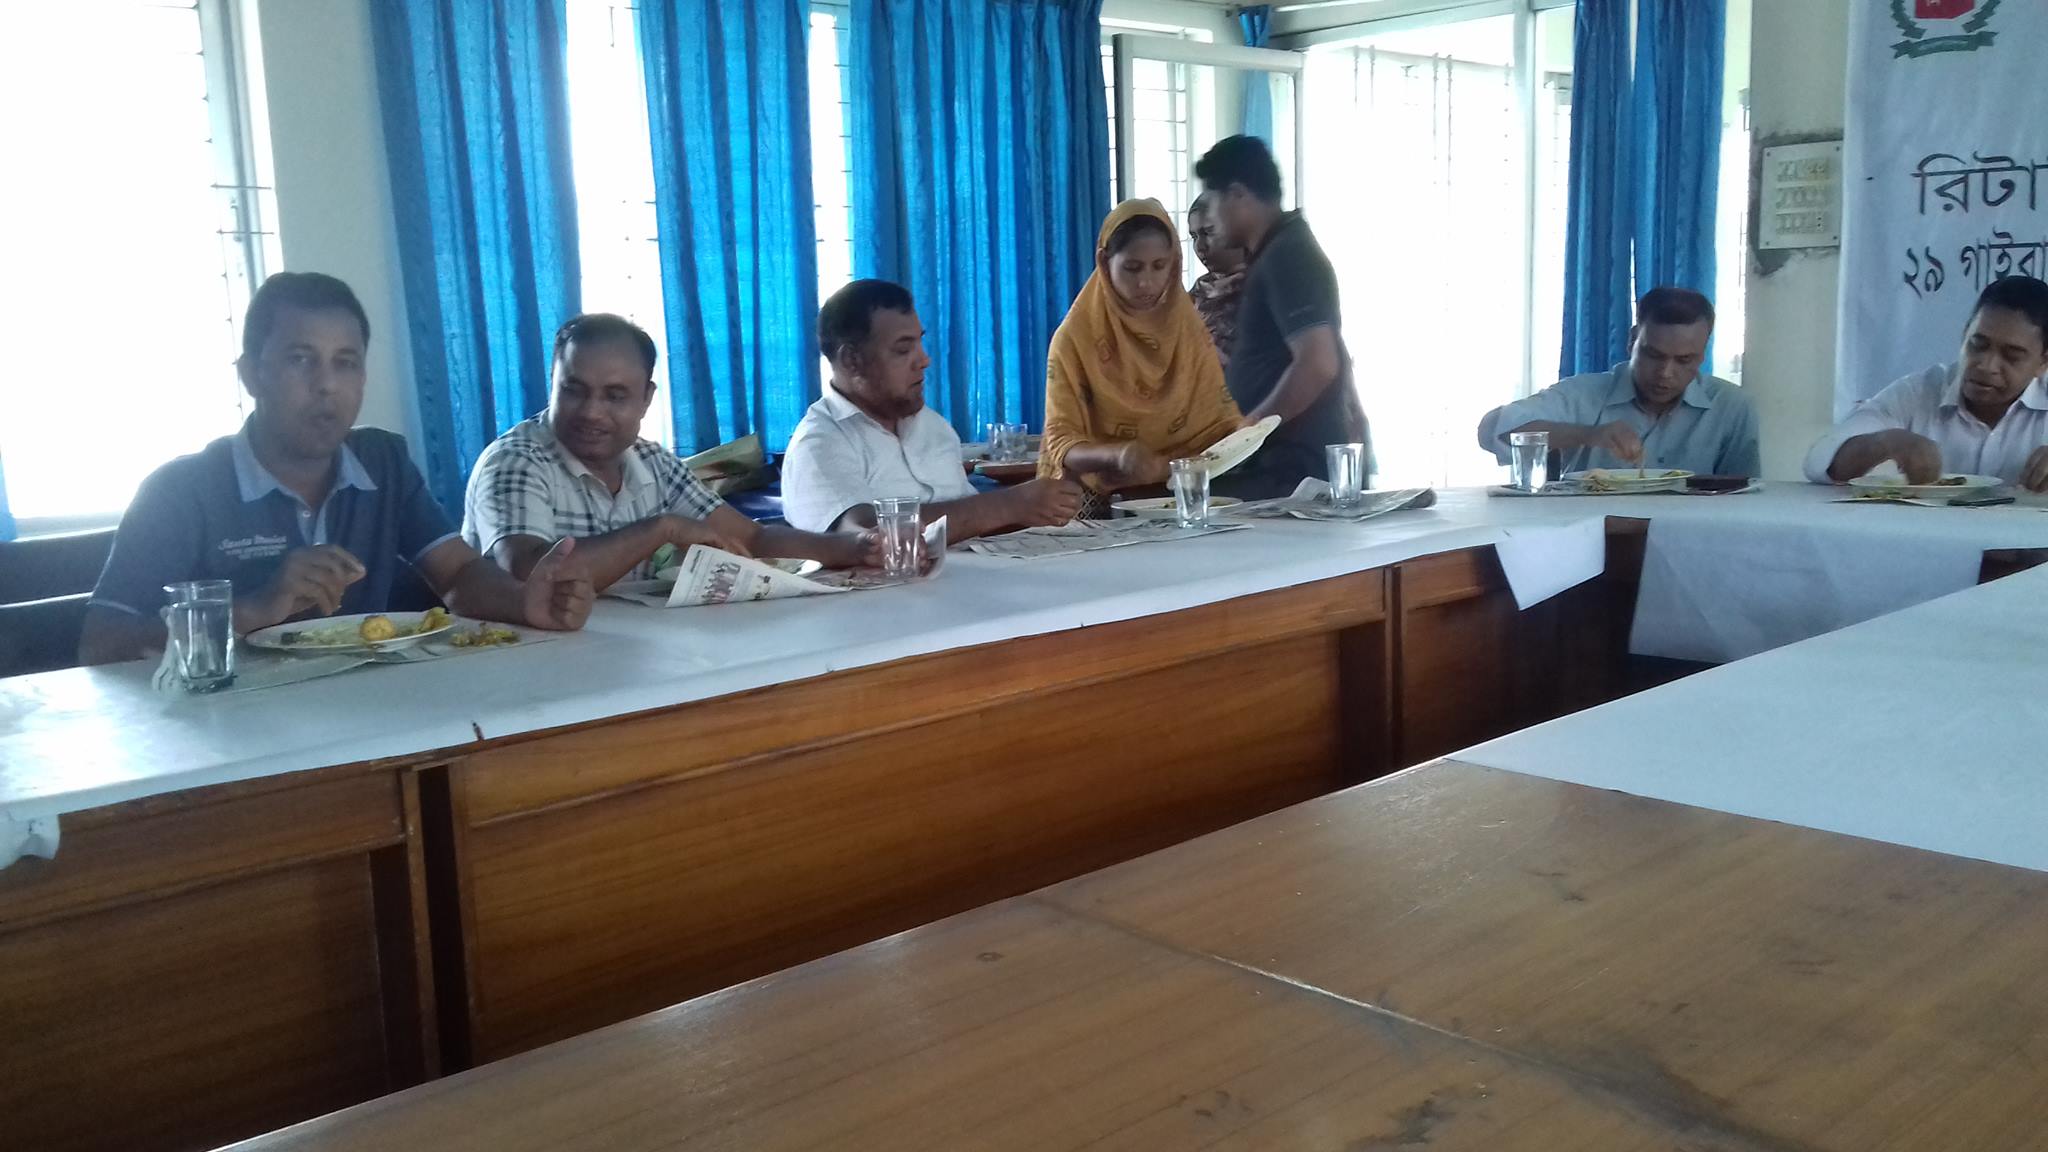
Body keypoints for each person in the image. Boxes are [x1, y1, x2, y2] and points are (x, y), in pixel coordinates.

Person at [79, 272, 594, 665]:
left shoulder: (383, 463)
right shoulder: (180, 491)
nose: (326, 385)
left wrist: (524, 603)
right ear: (252, 375)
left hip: (368, 720)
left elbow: (458, 574)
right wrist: (252, 611)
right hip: (232, 736)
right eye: (300, 360)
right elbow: (99, 645)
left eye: (345, 362)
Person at [464, 313, 879, 590]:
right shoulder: (516, 461)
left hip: (632, 652)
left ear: (646, 399)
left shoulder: (651, 461)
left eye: (614, 396)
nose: (591, 411)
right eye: (573, 390)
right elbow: (529, 571)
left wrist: (856, 547)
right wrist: (661, 530)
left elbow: (751, 537)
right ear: (552, 384)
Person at [782, 280, 1083, 536]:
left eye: (920, 343)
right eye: (903, 350)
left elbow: (973, 521)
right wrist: (1008, 505)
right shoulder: (820, 442)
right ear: (852, 360)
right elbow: (864, 532)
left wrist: (1040, 509)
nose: (924, 360)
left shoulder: (933, 427)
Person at [1194, 135, 1368, 498]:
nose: (1211, 219)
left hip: (1292, 469)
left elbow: (1318, 363)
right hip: (1277, 464)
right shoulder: (1274, 252)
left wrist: (1252, 427)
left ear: (1237, 195)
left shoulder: (1290, 255)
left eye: (1212, 204)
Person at [1038, 198, 1245, 499]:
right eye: (1132, 268)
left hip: (1179, 497)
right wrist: (1117, 455)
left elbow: (1217, 425)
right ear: (1105, 263)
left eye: (1159, 266)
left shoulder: (1188, 332)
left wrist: (1244, 433)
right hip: (1094, 505)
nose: (1146, 283)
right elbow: (1060, 442)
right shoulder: (1075, 339)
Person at [1478, 287, 1760, 478]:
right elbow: (1494, 430)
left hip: (1692, 540)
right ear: (1631, 341)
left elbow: (1745, 495)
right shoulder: (1583, 394)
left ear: (1703, 354)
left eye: (1684, 360)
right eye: (1653, 355)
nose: (1665, 372)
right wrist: (1588, 434)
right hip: (1594, 539)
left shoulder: (1731, 407)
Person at [1805, 276, 2048, 490]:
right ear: (1964, 335)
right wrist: (1885, 442)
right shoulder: (1919, 393)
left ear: (2043, 362)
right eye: (1977, 345)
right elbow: (1819, 461)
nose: (1987, 365)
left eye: (2011, 356)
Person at [1187, 191, 1248, 368]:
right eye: (1194, 236)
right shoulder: (1200, 290)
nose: (1200, 246)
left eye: (1208, 232)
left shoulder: (1262, 287)